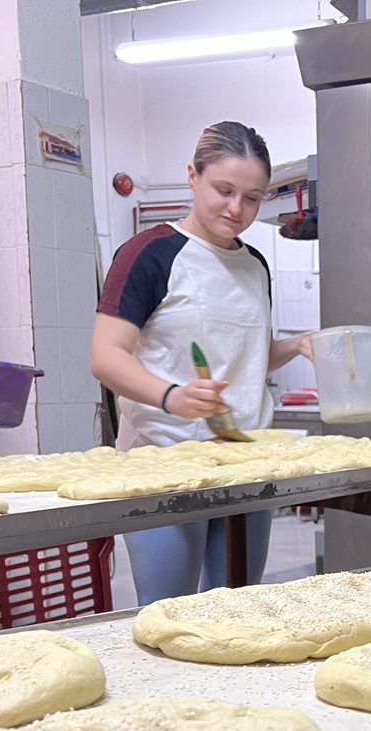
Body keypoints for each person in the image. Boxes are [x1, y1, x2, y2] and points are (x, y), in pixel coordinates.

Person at [91, 121, 311, 605]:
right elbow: (106, 357)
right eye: (224, 190)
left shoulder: (254, 264)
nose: (237, 209)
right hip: (165, 463)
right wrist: (173, 396)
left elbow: (244, 360)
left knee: (236, 612)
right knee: (171, 615)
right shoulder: (150, 254)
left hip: (245, 461)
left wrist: (297, 346)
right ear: (193, 176)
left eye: (252, 198)